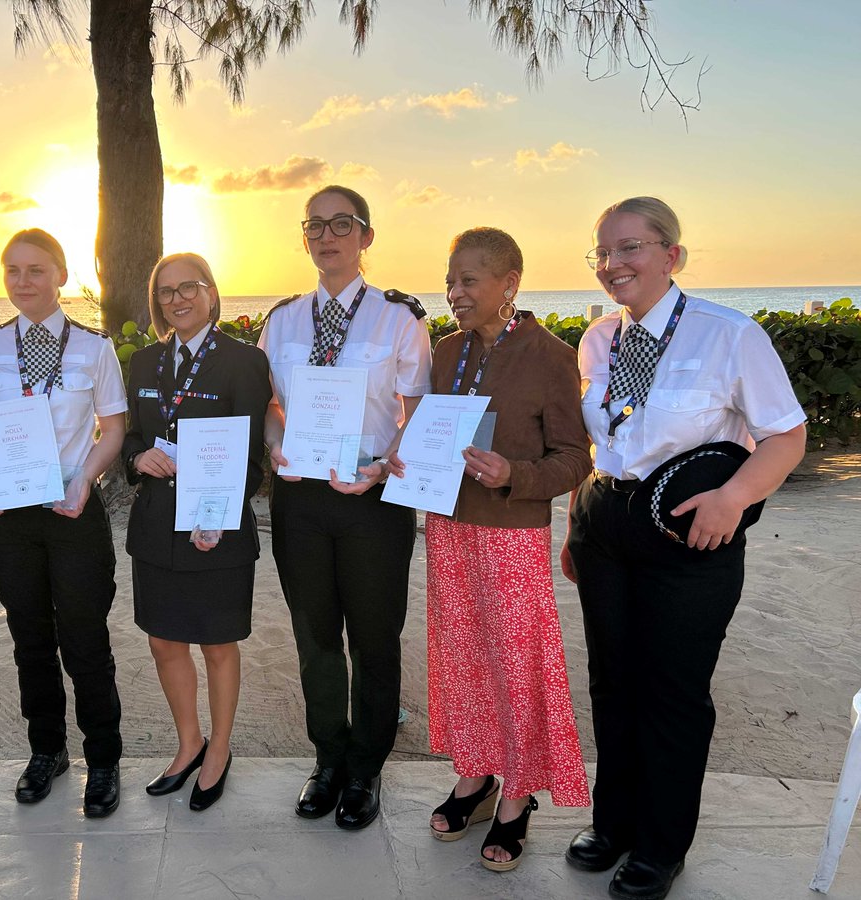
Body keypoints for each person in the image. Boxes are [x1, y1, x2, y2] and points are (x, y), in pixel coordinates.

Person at [562, 197, 806, 900]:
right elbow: (603, 441)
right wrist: (578, 523)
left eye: (630, 248)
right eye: (602, 252)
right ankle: (614, 824)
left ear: (673, 255)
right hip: (606, 521)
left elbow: (786, 436)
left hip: (691, 532)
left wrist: (733, 499)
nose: (613, 265)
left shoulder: (730, 335)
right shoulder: (598, 339)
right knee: (613, 682)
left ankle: (661, 846)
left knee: (672, 692)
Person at [406, 228, 590, 871]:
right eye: (449, 280)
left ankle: (518, 794)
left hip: (512, 534)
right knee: (463, 658)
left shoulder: (551, 356)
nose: (453, 292)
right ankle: (475, 775)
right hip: (449, 528)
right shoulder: (444, 350)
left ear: (508, 283)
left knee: (517, 664)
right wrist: (408, 462)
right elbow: (431, 436)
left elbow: (573, 460)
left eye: (467, 281)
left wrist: (514, 474)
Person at [259, 185, 432, 830]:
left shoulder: (398, 317)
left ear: (366, 237)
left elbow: (418, 411)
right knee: (314, 636)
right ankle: (328, 756)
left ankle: (366, 766)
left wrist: (386, 467)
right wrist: (275, 448)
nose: (327, 235)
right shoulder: (281, 321)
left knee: (374, 635)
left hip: (373, 500)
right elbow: (272, 409)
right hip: (301, 500)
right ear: (304, 238)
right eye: (315, 225)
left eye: (342, 224)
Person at [0, 228, 125, 818]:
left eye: (36, 270)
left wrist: (86, 479)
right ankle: (47, 751)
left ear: (60, 274)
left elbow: (114, 429)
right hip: (12, 515)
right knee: (30, 638)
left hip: (73, 510)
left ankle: (103, 758)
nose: (23, 281)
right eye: (12, 271)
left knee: (85, 639)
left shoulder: (92, 349)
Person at [122, 253, 271, 812]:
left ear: (211, 292)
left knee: (216, 644)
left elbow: (253, 460)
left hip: (218, 527)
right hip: (157, 526)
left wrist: (219, 512)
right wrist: (140, 461)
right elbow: (133, 440)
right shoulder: (144, 362)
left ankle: (220, 750)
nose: (177, 299)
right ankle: (188, 744)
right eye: (165, 292)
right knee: (164, 642)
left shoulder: (243, 362)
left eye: (189, 287)